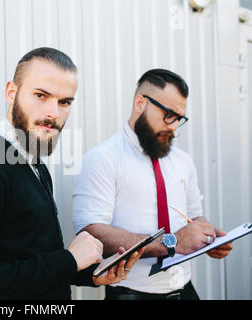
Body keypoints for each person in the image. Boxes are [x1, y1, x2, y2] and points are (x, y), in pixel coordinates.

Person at [0, 47, 143, 300]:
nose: (53, 113)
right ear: (11, 93)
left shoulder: (35, 164)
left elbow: (32, 257)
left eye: (64, 102)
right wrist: (69, 260)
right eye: (41, 95)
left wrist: (89, 273)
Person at [72, 69, 233, 300]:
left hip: (185, 290)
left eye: (179, 118)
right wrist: (173, 242)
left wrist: (208, 238)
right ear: (140, 103)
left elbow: (195, 216)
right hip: (132, 294)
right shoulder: (101, 159)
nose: (174, 127)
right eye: (169, 115)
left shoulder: (183, 161)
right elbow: (91, 232)